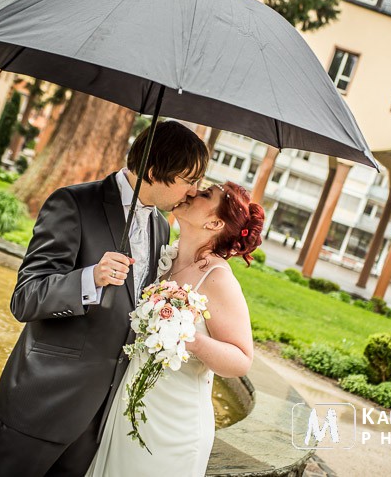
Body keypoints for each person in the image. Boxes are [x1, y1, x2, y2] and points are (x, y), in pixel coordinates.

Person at [0, 121, 209, 477]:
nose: (194, 191)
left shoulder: (161, 227)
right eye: (188, 180)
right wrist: (89, 279)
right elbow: (25, 298)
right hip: (43, 401)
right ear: (152, 171)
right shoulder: (74, 203)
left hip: (100, 418)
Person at [86, 181, 265, 477]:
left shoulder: (217, 278)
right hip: (130, 405)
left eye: (206, 195)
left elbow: (241, 360)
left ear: (214, 222)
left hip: (173, 424)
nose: (193, 192)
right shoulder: (163, 257)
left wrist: (187, 336)